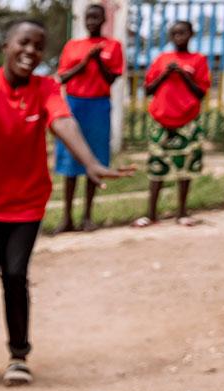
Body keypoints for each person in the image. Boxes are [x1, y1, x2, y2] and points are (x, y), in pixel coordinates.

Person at [0, 20, 130, 387]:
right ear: (6, 45)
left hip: (27, 200)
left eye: (38, 46)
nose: (30, 52)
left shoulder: (47, 86)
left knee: (17, 275)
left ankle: (19, 355)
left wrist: (91, 163)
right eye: (23, 43)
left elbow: (63, 121)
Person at [133, 21, 210, 228]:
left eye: (183, 33)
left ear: (191, 34)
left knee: (185, 168)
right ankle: (151, 213)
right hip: (161, 121)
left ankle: (182, 212)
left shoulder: (198, 60)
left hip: (187, 122)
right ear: (170, 36)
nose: (179, 37)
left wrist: (184, 75)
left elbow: (201, 93)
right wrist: (166, 74)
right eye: (175, 34)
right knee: (157, 167)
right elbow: (148, 89)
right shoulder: (161, 60)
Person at [55, 4, 124, 232]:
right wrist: (85, 62)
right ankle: (67, 218)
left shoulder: (113, 46)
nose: (92, 21)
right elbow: (63, 77)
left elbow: (111, 79)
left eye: (96, 17)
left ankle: (87, 216)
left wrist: (99, 61)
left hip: (99, 105)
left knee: (94, 159)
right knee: (70, 160)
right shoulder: (73, 46)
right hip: (74, 105)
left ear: (104, 19)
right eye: (88, 17)